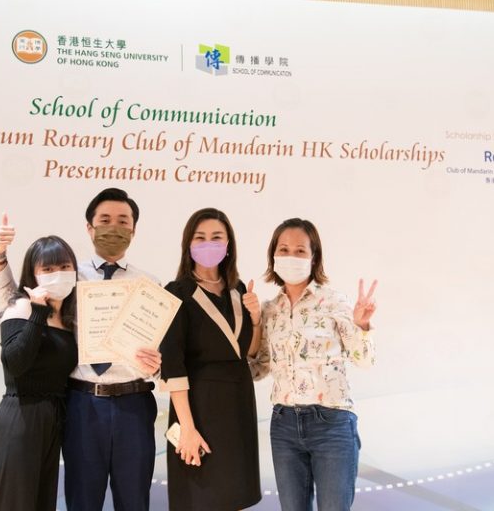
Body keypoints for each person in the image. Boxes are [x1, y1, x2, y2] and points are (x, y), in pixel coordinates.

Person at [0, 188, 162, 511]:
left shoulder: (150, 285)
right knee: (81, 501)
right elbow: (15, 298)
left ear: (134, 229)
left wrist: (156, 364)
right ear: (89, 227)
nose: (115, 227)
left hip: (135, 402)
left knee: (135, 501)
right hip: (82, 403)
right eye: (105, 220)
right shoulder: (66, 275)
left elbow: (160, 348)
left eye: (123, 221)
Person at [250, 218, 377, 511]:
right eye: (283, 249)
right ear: (273, 256)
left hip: (331, 424)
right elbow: (259, 368)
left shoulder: (335, 302)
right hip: (283, 425)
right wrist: (251, 324)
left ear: (314, 257)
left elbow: (365, 360)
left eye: (300, 251)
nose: (290, 257)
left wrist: (362, 323)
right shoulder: (270, 310)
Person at [159, 207, 262, 511]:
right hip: (199, 409)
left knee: (235, 498)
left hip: (238, 407)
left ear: (229, 244)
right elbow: (172, 364)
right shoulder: (176, 292)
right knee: (201, 498)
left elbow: (248, 353)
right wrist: (187, 428)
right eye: (200, 237)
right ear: (188, 244)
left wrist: (255, 319)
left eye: (217, 237)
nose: (209, 243)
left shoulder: (239, 290)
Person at [0, 235, 79, 510]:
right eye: (47, 270)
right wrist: (38, 312)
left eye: (64, 267)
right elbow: (15, 362)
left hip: (53, 423)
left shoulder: (71, 318)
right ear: (33, 274)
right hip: (20, 420)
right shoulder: (21, 306)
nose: (57, 275)